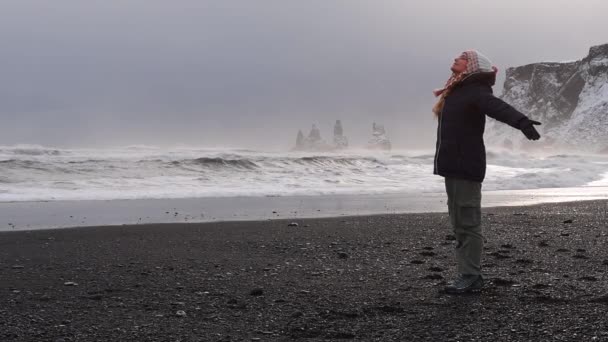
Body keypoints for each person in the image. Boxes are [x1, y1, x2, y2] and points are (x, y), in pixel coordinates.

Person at [432, 50, 541, 294]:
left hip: (466, 166)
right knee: (459, 222)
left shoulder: (475, 91)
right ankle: (467, 273)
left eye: (461, 57)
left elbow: (496, 107)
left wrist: (521, 121)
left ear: (472, 65)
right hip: (453, 167)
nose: (455, 59)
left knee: (468, 222)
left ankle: (471, 276)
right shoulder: (457, 90)